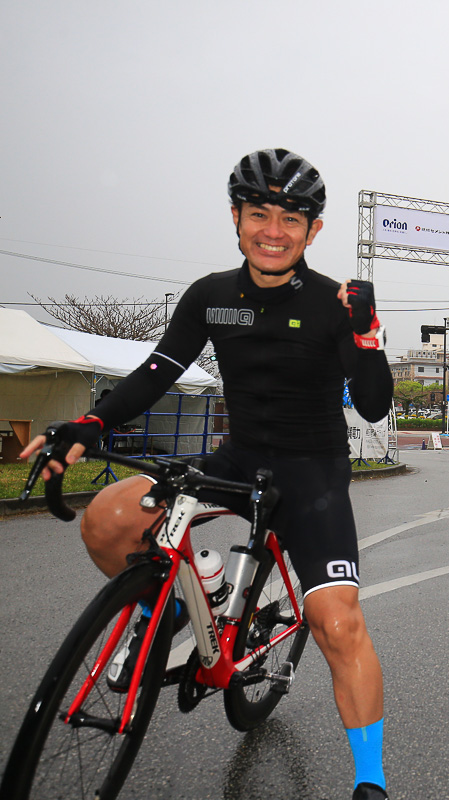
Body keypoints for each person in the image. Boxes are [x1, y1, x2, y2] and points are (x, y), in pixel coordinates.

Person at [21, 148, 394, 800]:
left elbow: (373, 404)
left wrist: (366, 335)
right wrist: (89, 426)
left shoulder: (335, 304)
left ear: (314, 231)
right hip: (236, 457)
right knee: (109, 519)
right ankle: (197, 599)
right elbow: (157, 372)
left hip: (313, 473)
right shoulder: (212, 297)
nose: (272, 231)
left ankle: (371, 780)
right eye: (259, 214)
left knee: (338, 624)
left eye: (289, 218)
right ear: (236, 217)